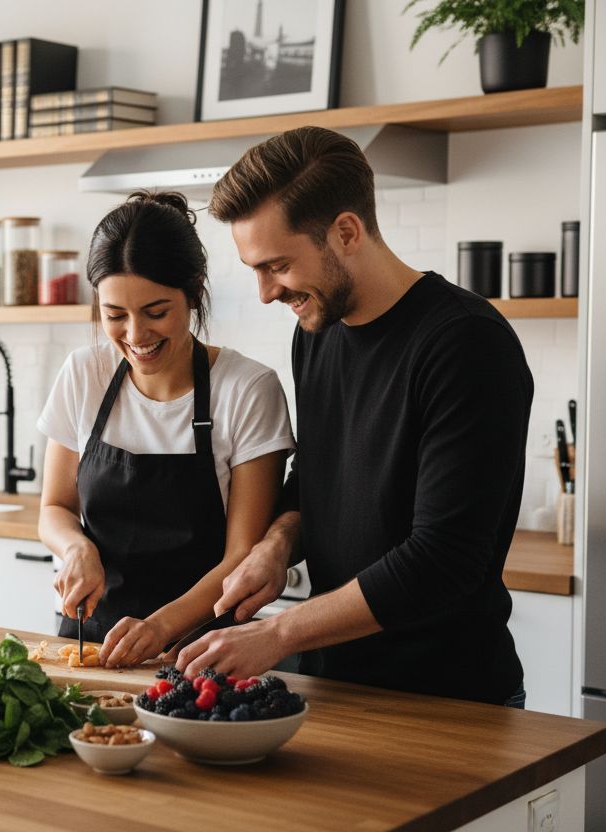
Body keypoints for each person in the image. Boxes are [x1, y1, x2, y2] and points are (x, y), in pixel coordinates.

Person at [175, 126, 532, 707]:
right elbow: (320, 481)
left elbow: (444, 559)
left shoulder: (466, 345)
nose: (266, 292)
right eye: (255, 270)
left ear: (346, 231)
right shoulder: (318, 333)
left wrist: (278, 632)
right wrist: (277, 546)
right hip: (336, 687)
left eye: (278, 265)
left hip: (448, 704)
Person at [37, 191, 296, 668]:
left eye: (156, 312)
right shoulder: (83, 374)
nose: (135, 336)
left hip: (202, 651)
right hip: (89, 643)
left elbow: (242, 553)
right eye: (115, 316)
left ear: (194, 291)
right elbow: (54, 507)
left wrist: (159, 627)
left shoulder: (247, 389)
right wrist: (76, 547)